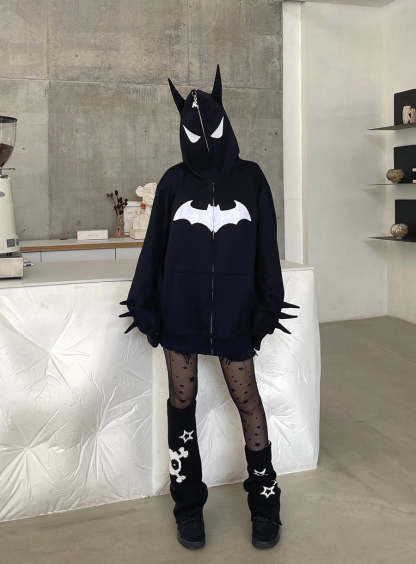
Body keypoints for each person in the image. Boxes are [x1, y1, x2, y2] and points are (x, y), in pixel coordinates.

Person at [120, 65, 299, 550]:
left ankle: (265, 502)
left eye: (212, 127)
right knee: (182, 401)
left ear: (226, 122)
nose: (204, 138)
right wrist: (145, 304)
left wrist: (267, 305)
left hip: (236, 312)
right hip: (181, 310)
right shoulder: (174, 182)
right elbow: (155, 247)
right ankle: (187, 505)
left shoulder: (251, 178)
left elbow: (266, 247)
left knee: (247, 400)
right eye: (193, 130)